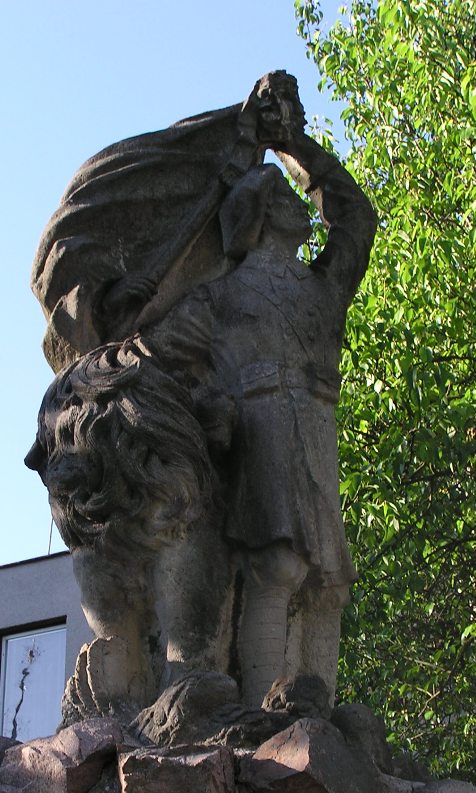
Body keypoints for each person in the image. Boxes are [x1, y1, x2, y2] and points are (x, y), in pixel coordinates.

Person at [144, 133, 377, 709]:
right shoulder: (219, 299)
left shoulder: (324, 287)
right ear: (265, 213)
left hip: (317, 431)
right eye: (287, 197)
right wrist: (206, 407)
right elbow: (154, 359)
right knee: (276, 567)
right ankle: (262, 712)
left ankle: (315, 717)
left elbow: (356, 218)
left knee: (330, 586)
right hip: (261, 431)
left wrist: (294, 149)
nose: (302, 206)